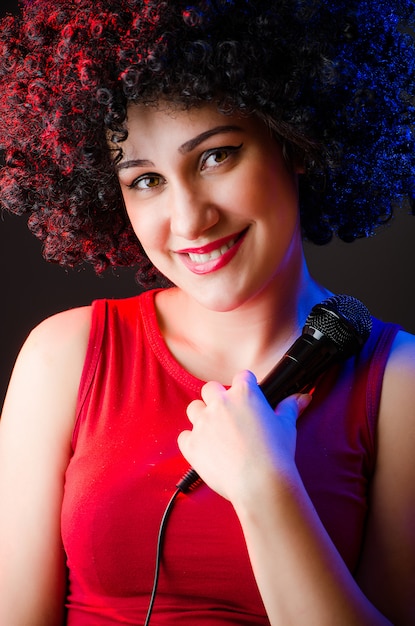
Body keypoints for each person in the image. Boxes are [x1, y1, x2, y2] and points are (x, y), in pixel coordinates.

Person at [0, 0, 414, 624]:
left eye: (216, 155)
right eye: (145, 180)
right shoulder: (65, 356)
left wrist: (264, 486)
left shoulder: (399, 380)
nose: (189, 220)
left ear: (294, 141)